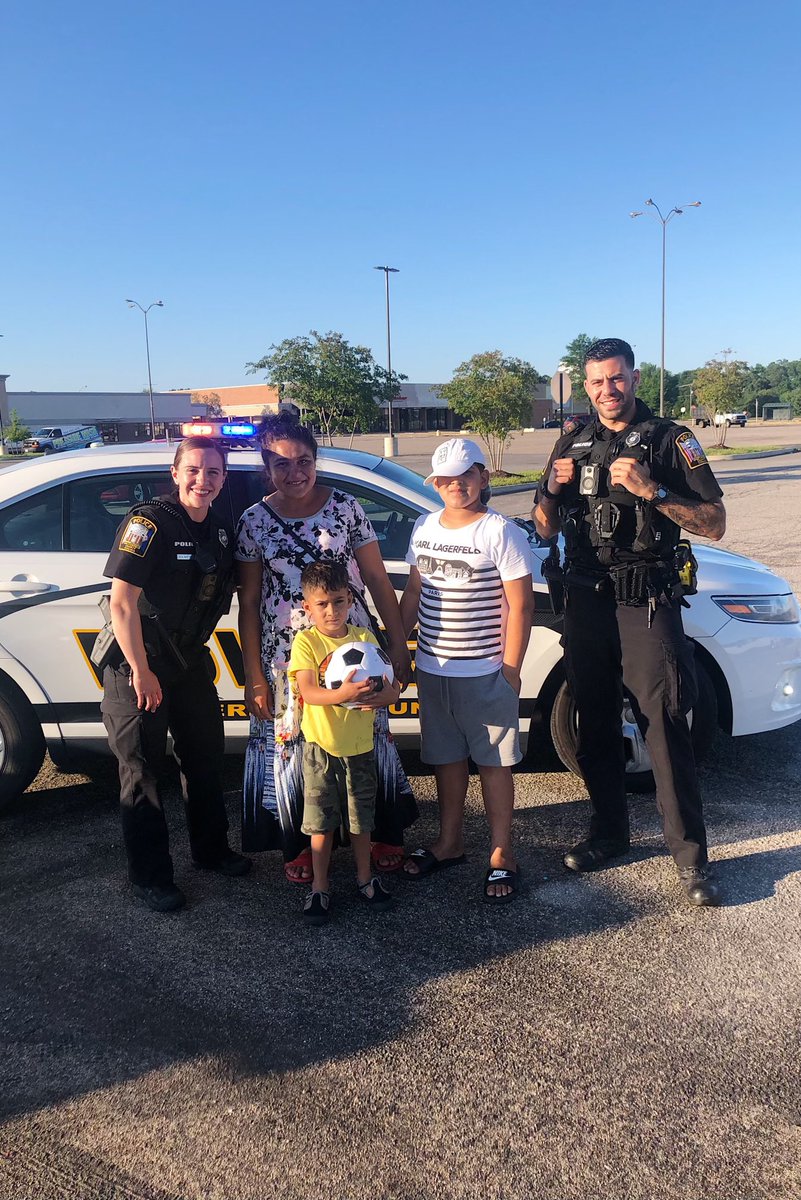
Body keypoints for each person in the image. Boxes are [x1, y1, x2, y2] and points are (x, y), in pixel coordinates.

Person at [532, 337, 727, 906]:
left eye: (615, 379)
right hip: (588, 601)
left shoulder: (672, 439)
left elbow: (714, 523)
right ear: (584, 384)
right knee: (594, 721)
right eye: (595, 381)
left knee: (664, 724)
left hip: (647, 600)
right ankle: (609, 833)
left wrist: (655, 490)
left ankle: (691, 857)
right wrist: (551, 488)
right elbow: (544, 528)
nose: (606, 391)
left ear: (635, 379)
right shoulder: (571, 440)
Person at [236, 412, 416, 883]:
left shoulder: (347, 508)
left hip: (355, 650)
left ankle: (380, 834)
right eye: (280, 464)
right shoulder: (253, 522)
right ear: (264, 467)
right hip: (290, 658)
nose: (294, 473)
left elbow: (376, 579)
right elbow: (250, 602)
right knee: (297, 748)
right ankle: (297, 845)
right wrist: (254, 673)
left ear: (317, 460)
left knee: (367, 740)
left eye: (304, 461)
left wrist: (398, 646)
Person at [100, 436, 251, 912]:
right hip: (138, 665)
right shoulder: (148, 523)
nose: (202, 481)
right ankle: (150, 877)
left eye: (212, 473)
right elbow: (121, 603)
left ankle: (210, 851)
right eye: (193, 470)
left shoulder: (222, 532)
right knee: (142, 771)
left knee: (204, 758)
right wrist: (142, 673)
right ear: (175, 472)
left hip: (187, 663)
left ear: (223, 479)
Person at [400, 438, 534, 904]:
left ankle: (502, 853)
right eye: (445, 478)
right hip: (434, 669)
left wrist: (511, 671)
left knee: (495, 765)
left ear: (483, 477)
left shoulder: (499, 531)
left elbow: (521, 605)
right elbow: (414, 594)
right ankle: (450, 842)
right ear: (434, 483)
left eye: (465, 476)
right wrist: (401, 650)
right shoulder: (423, 526)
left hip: (485, 671)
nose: (455, 485)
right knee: (446, 759)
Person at [288, 561, 402, 925]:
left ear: (350, 599)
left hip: (360, 748)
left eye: (339, 602)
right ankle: (320, 888)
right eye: (322, 604)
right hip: (320, 748)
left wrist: (389, 695)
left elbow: (391, 687)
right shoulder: (306, 642)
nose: (332, 611)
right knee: (320, 824)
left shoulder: (365, 641)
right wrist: (345, 693)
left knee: (360, 821)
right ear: (308, 607)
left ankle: (365, 880)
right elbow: (307, 691)